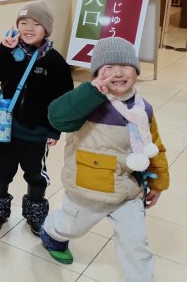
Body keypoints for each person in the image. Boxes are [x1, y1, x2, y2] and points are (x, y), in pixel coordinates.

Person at [41, 37, 169, 279]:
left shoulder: (143, 109)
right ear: (97, 72)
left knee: (136, 247)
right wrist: (89, 93)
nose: (118, 73)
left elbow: (155, 146)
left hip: (127, 191)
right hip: (86, 189)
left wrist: (158, 182)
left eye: (126, 65)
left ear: (136, 70)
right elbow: (57, 118)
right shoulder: (85, 101)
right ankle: (51, 232)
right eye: (109, 67)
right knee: (70, 227)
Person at [0, 0, 74, 235]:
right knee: (1, 168)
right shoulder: (12, 52)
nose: (29, 28)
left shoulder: (55, 62)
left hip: (37, 132)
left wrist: (54, 130)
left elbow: (63, 99)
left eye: (36, 24)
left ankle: (35, 213)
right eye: (24, 22)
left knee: (35, 173)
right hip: (6, 128)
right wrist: (1, 49)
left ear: (47, 29)